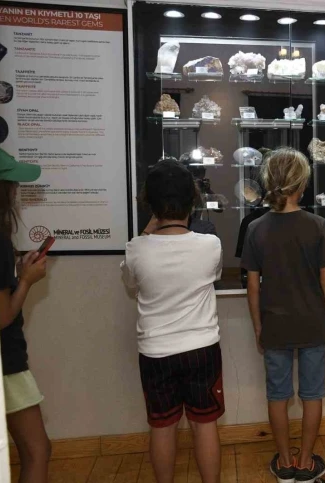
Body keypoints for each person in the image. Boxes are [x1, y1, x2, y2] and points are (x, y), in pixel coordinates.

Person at [241, 148, 325, 483]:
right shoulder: (318, 225)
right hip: (312, 323)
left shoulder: (256, 228)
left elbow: (252, 287)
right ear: (302, 185)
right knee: (312, 394)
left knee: (277, 395)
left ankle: (284, 462)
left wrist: (258, 327)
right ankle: (305, 461)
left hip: (275, 325)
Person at [121, 160, 224, 483]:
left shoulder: (136, 249)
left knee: (162, 426)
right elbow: (215, 275)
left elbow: (130, 283)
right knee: (204, 424)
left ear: (149, 204)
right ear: (193, 200)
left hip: (155, 351)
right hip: (202, 348)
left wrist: (148, 228)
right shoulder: (210, 245)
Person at [0, 146, 50, 483]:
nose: (17, 190)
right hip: (6, 363)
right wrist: (27, 280)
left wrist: (15, 272)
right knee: (36, 451)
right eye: (12, 183)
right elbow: (2, 317)